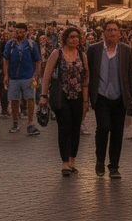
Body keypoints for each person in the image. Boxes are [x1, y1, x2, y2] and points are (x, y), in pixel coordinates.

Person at [88, 20, 132, 179]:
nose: (112, 33)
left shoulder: (125, 50)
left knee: (117, 132)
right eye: (109, 30)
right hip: (101, 96)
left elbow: (130, 74)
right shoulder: (94, 50)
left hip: (119, 96)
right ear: (103, 33)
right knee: (103, 127)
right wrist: (87, 97)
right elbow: (88, 74)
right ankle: (100, 160)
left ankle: (114, 166)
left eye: (115, 30)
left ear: (120, 33)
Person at [40, 27, 88, 176]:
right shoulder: (57, 53)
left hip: (78, 95)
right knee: (64, 127)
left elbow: (86, 78)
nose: (75, 40)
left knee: (75, 128)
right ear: (65, 39)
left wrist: (86, 100)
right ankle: (65, 162)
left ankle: (73, 160)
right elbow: (47, 75)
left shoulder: (82, 55)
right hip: (62, 95)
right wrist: (43, 95)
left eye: (77, 37)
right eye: (72, 37)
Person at [3, 24, 42, 136]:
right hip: (14, 77)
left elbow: (38, 61)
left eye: (21, 32)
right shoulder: (10, 44)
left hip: (28, 76)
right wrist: (6, 75)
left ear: (26, 32)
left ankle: (30, 123)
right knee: (14, 100)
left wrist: (35, 76)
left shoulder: (31, 44)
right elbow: (6, 60)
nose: (19, 34)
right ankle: (15, 122)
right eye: (17, 32)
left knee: (30, 99)